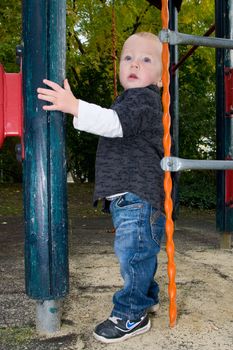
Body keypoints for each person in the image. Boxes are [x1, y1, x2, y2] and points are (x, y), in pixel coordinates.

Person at [37, 31, 165, 344]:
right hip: (132, 198)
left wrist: (74, 106)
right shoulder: (131, 100)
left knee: (132, 254)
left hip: (138, 196)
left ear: (161, 79)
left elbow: (113, 124)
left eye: (146, 60)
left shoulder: (144, 100)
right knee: (137, 252)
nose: (134, 63)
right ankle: (144, 296)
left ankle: (131, 314)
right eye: (128, 58)